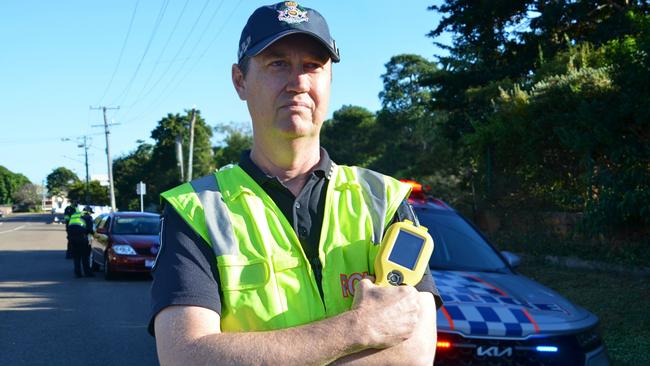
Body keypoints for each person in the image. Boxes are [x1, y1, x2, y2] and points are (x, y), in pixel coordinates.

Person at [150, 2, 442, 365]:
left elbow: (415, 353)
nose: (299, 82)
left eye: (312, 66)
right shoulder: (196, 211)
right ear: (240, 81)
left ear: (329, 79)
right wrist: (355, 329)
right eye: (278, 64)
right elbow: (186, 357)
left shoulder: (382, 197)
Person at [66, 206, 94, 278]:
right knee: (85, 256)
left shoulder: (75, 214)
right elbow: (89, 229)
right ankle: (87, 273)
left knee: (76, 256)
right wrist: (93, 234)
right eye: (91, 212)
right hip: (81, 238)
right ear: (89, 212)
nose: (91, 214)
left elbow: (69, 225)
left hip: (71, 238)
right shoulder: (87, 217)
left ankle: (77, 273)